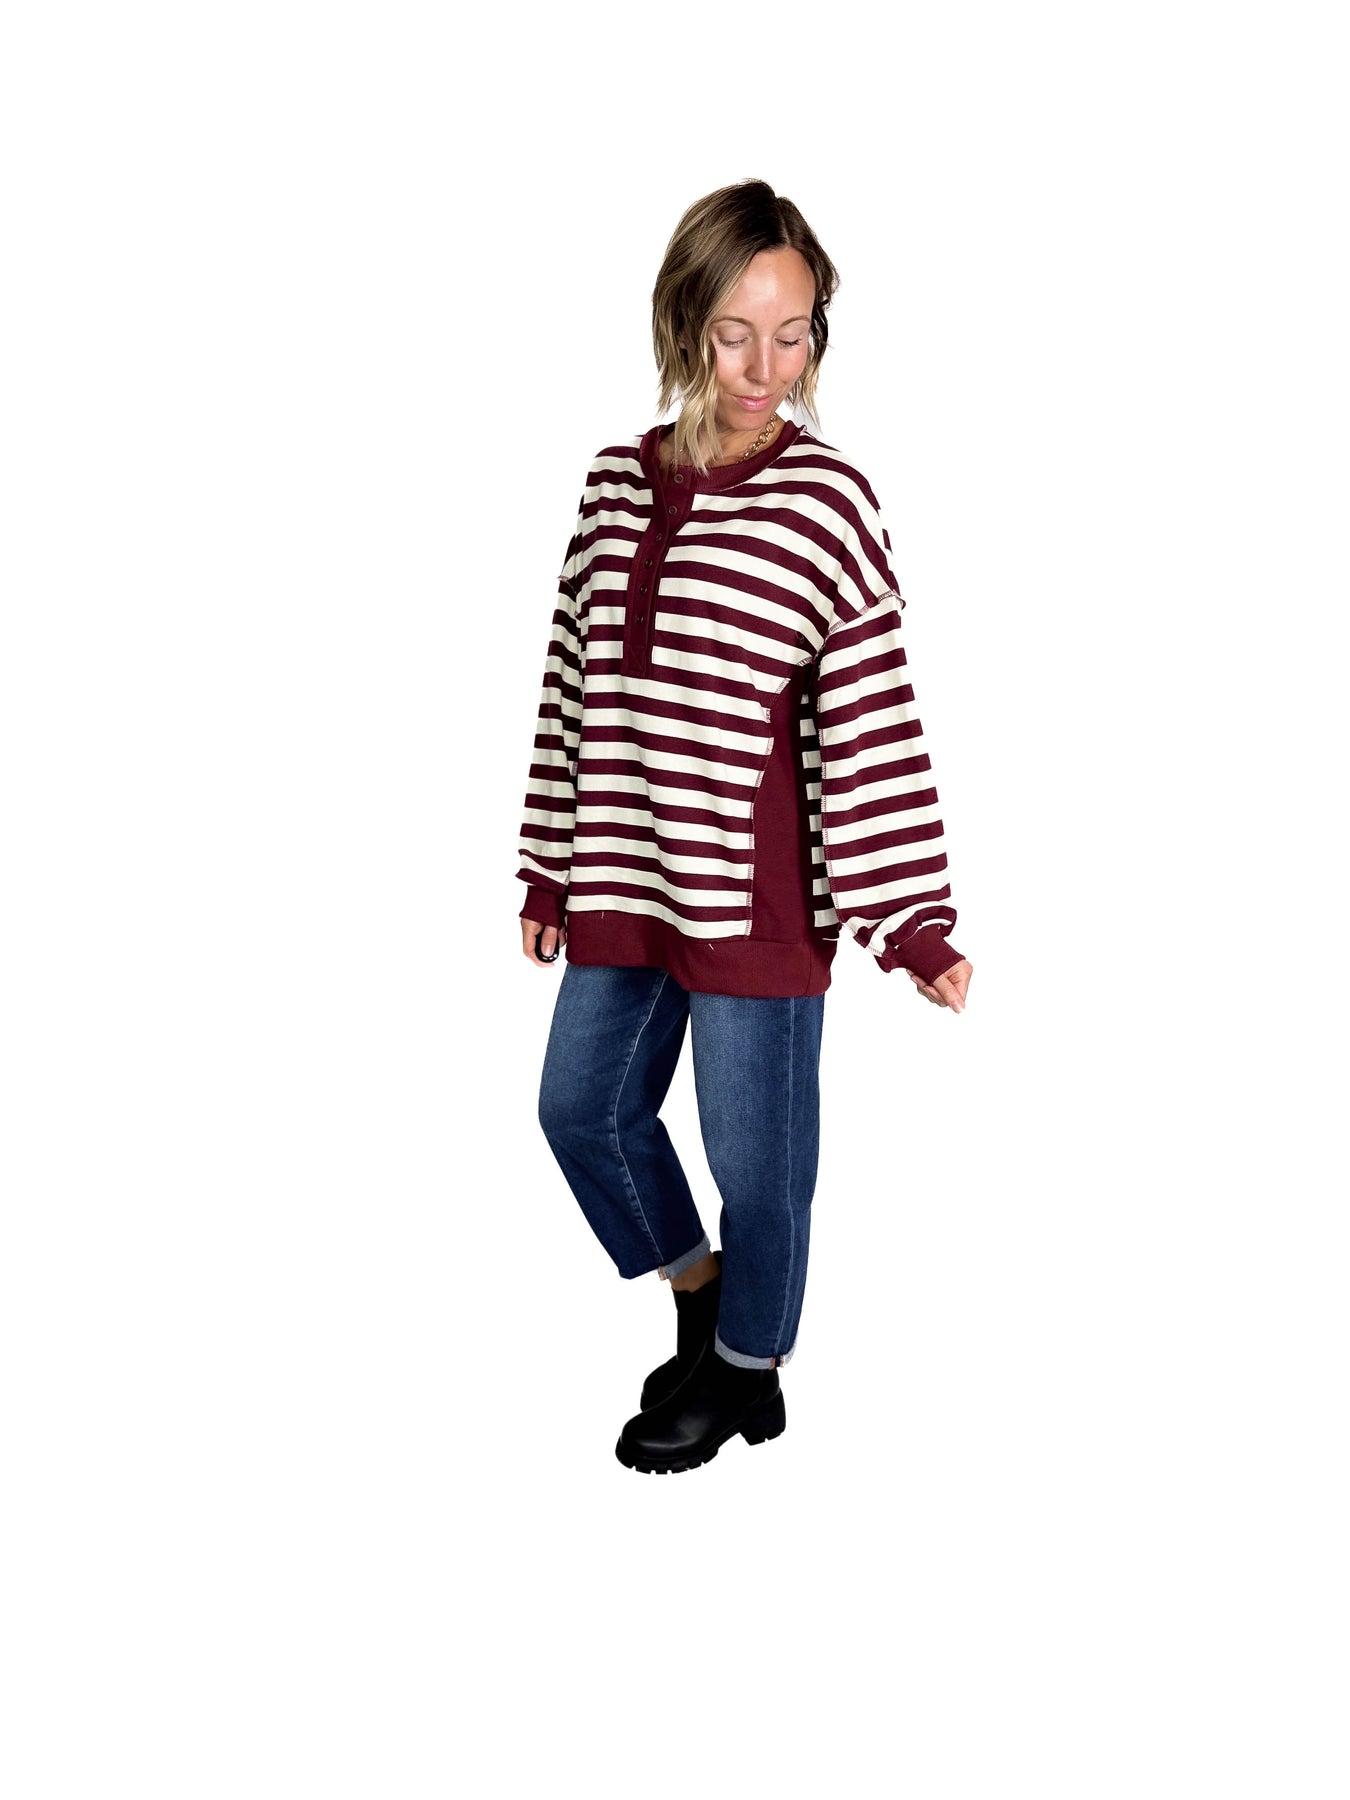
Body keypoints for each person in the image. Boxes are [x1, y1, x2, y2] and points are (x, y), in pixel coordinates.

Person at [515, 178, 974, 1475]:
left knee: (759, 1165)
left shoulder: (828, 501)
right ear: (684, 326)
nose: (768, 367)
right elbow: (570, 683)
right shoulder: (614, 484)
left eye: (793, 332)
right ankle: (704, 1299)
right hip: (625, 870)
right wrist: (548, 866)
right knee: (581, 1113)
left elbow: (870, 718)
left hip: (758, 895)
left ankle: (746, 1369)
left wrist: (909, 920)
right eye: (734, 333)